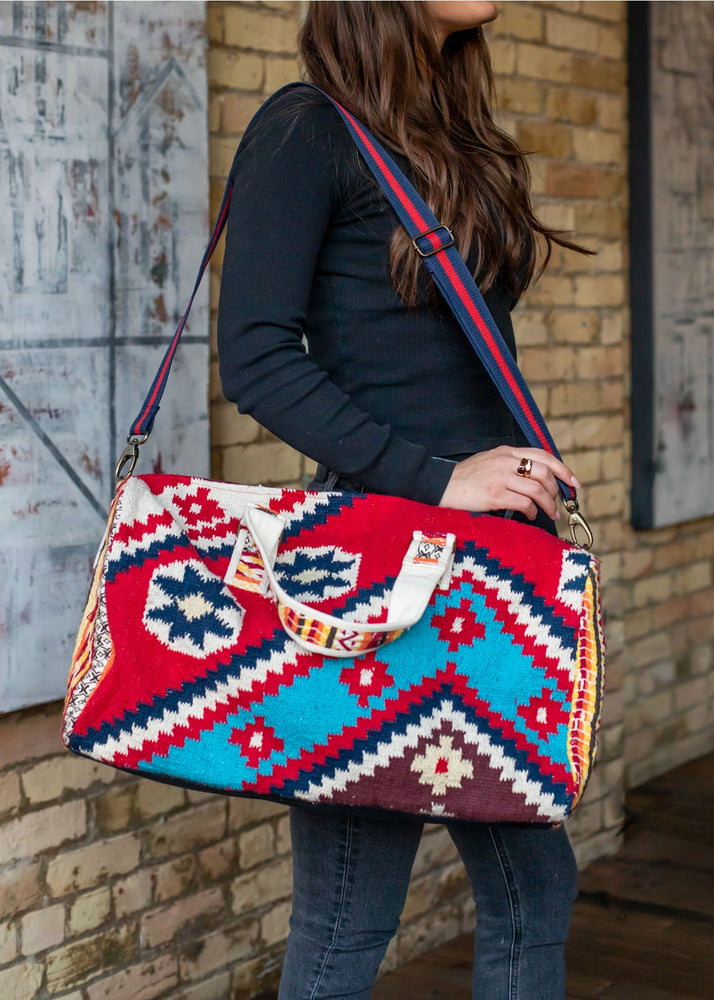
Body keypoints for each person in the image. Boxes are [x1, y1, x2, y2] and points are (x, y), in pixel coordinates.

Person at [217, 4, 588, 998]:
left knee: (531, 883)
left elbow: (445, 360)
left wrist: (516, 473)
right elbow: (253, 357)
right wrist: (443, 476)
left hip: (488, 570)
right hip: (381, 575)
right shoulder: (306, 129)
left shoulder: (439, 133)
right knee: (351, 910)